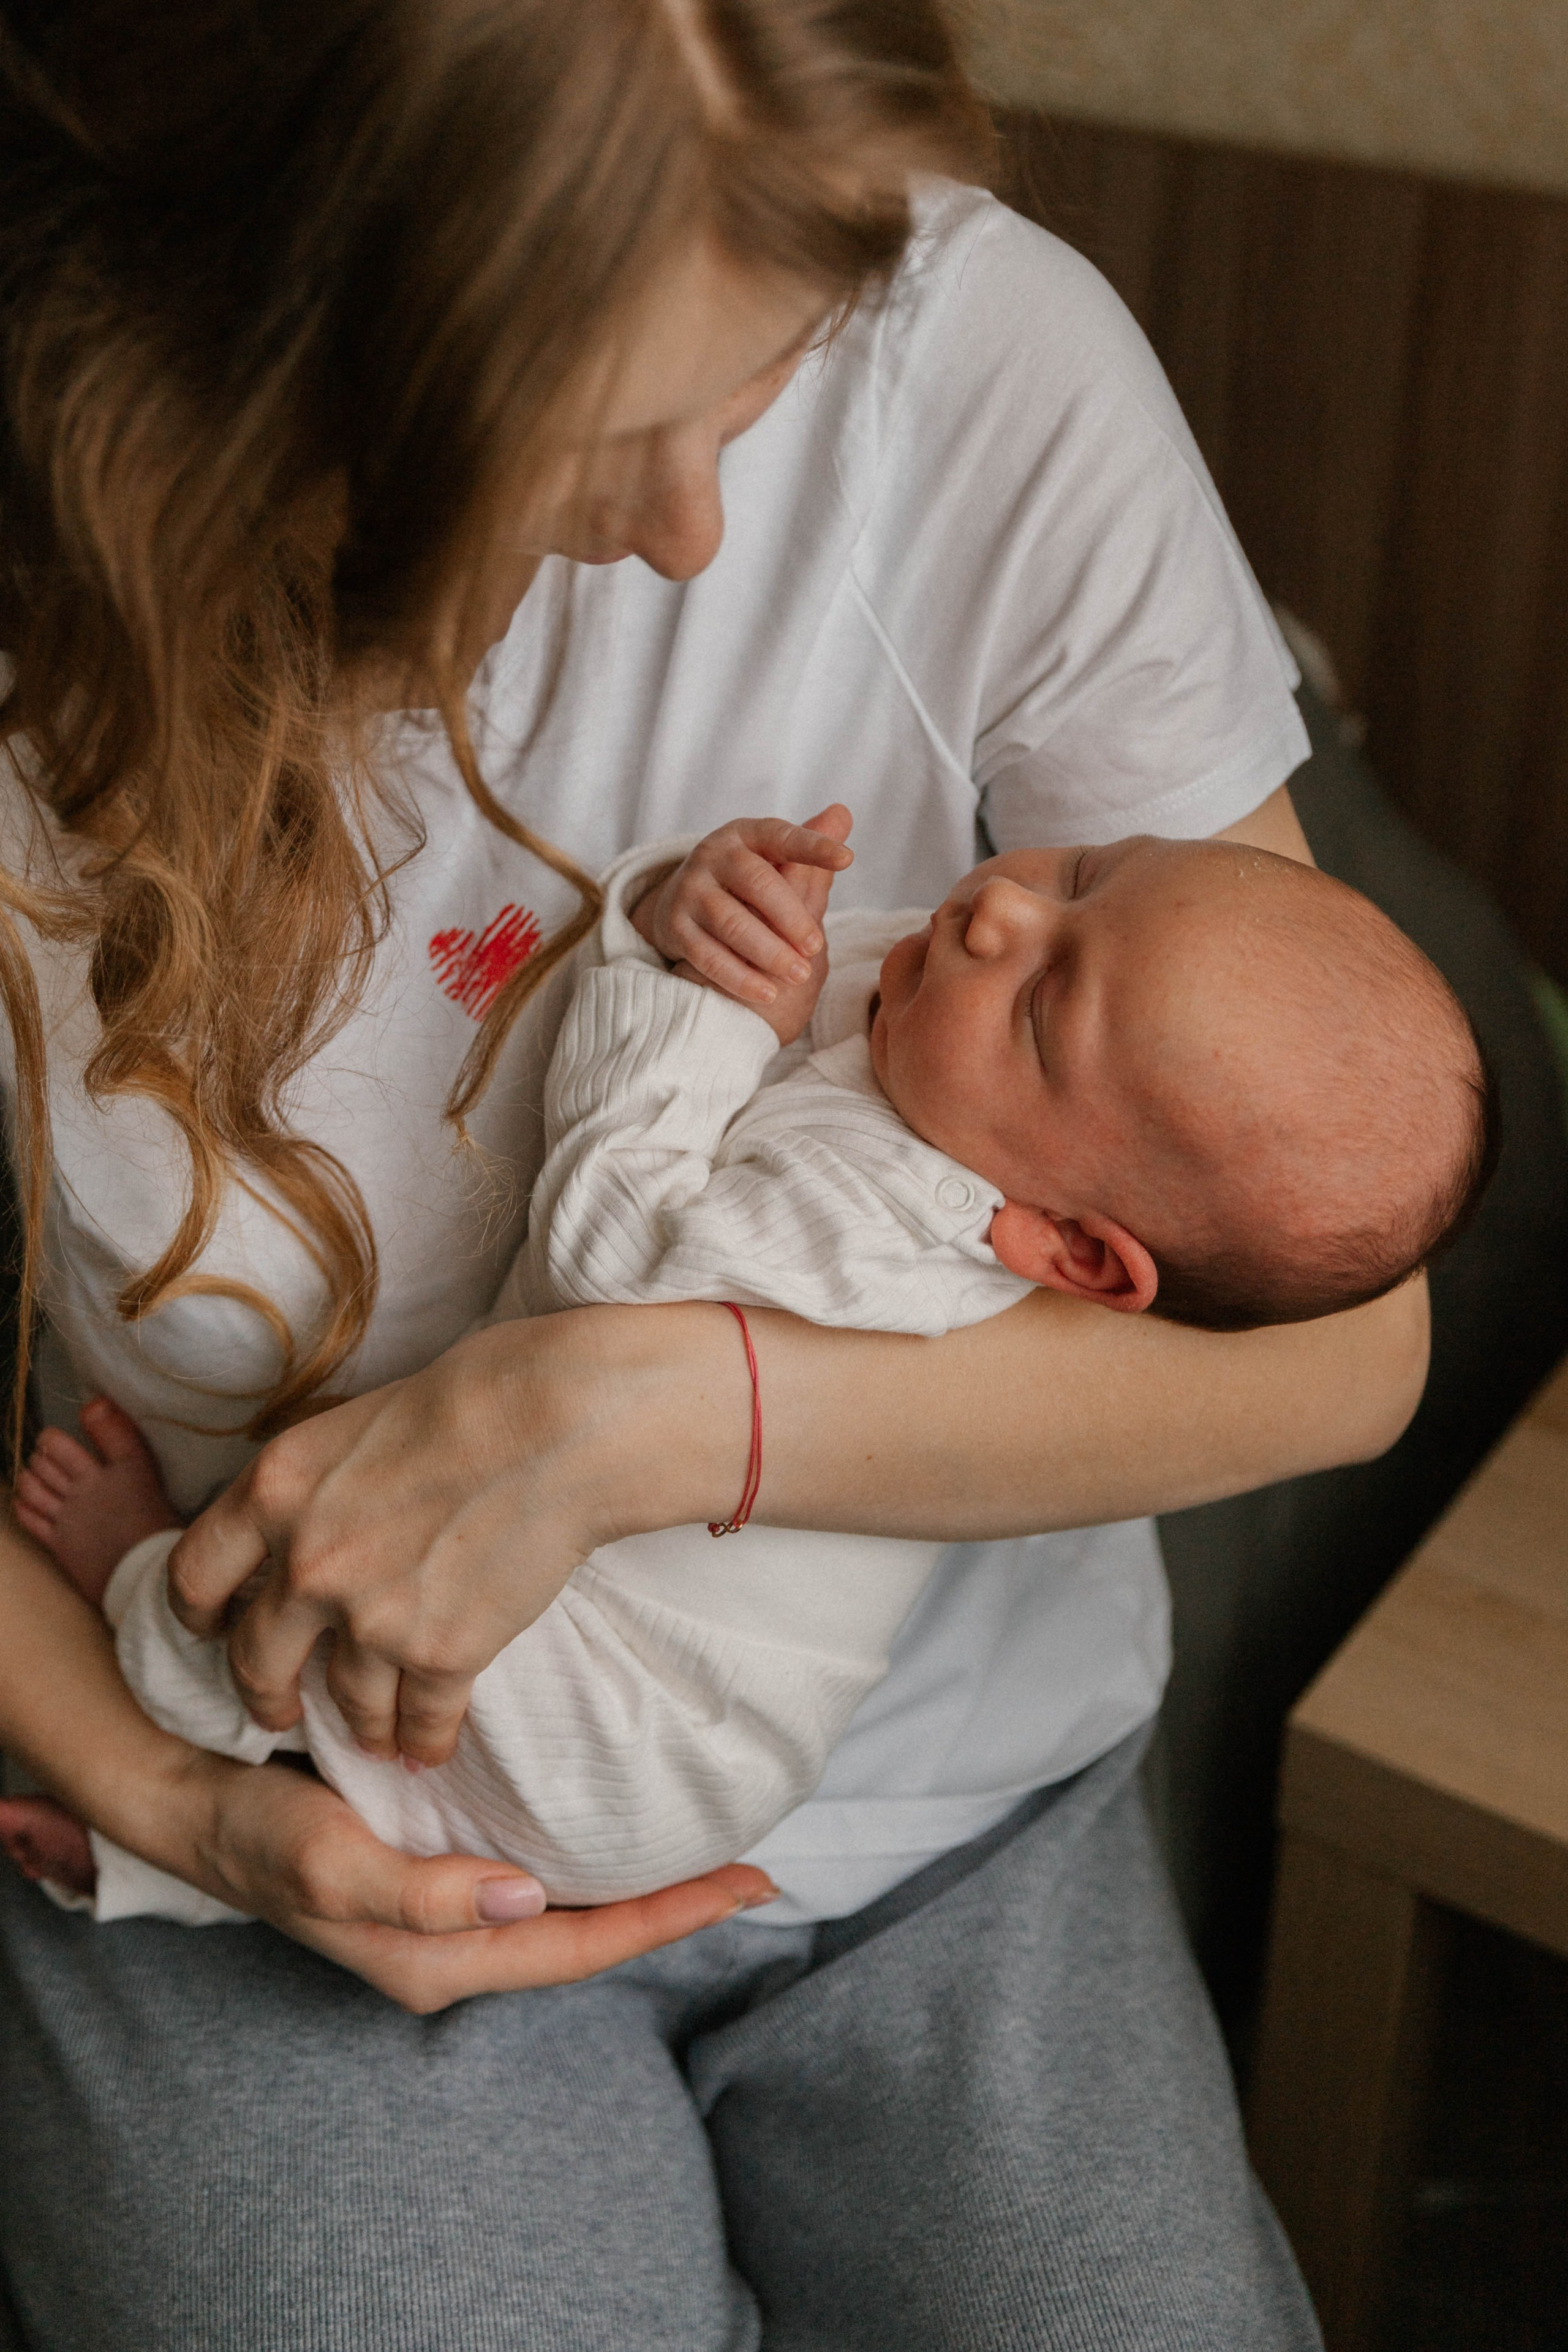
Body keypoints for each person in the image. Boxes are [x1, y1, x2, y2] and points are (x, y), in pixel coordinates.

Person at [0, 4, 1431, 2345]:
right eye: (601, 433)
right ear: (270, 354)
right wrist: (165, 1804)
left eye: (756, 389)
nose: (688, 536)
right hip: (299, 1761)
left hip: (944, 1800)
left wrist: (640, 1417)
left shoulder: (980, 356)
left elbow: (1340, 1330)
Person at [9, 807, 1491, 1928]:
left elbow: (612, 1276)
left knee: (301, 1612)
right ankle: (182, 1865)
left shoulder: (901, 1224)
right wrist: (690, 901)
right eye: (1086, 873)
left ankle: (144, 1623)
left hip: (640, 1722)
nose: (1001, 912)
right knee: (369, 1738)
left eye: (1046, 1003)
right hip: (642, 1659)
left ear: (1069, 1252)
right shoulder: (947, 1047)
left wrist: (700, 998)